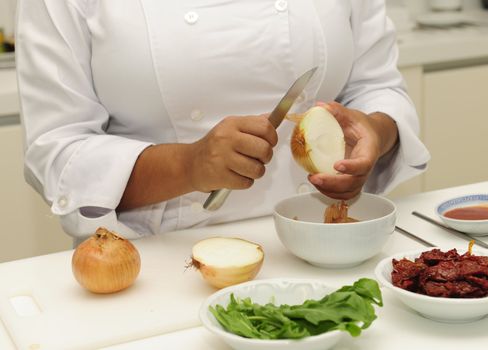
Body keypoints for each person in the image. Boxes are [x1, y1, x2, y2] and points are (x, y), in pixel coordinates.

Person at [16, 0, 430, 243]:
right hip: (158, 263)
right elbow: (57, 150)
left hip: (326, 238)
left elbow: (378, 86)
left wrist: (376, 130)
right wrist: (188, 165)